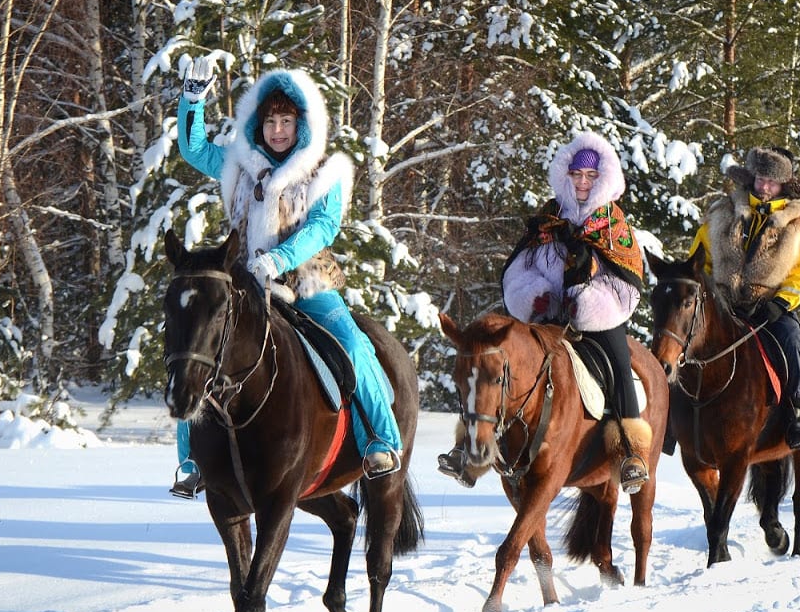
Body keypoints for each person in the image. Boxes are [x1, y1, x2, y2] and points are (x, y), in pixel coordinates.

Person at [168, 55, 402, 499]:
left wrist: (279, 259)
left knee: (353, 345)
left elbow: (324, 226)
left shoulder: (321, 173)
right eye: (271, 120)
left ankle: (381, 439)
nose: (278, 130)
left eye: (287, 122)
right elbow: (194, 148)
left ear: (302, 126)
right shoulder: (238, 163)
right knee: (195, 346)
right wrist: (192, 102)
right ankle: (192, 461)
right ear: (258, 124)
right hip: (244, 287)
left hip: (307, 285)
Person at [437, 131, 652, 494]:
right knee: (491, 364)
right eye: (576, 175)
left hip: (597, 321)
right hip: (545, 319)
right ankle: (467, 448)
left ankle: (630, 451)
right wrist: (535, 296)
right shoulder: (548, 218)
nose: (582, 182)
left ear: (603, 179)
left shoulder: (616, 228)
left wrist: (586, 298)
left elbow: (628, 283)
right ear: (565, 177)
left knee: (618, 362)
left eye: (590, 177)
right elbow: (522, 266)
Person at [690, 146, 800, 450]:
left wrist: (781, 303)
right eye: (761, 179)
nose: (764, 187)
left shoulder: (799, 225)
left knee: (793, 341)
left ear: (783, 186)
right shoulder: (721, 214)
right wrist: (708, 295)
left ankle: (793, 415)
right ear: (751, 178)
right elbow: (700, 261)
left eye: (772, 183)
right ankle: (675, 415)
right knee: (682, 339)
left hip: (770, 309)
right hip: (723, 306)